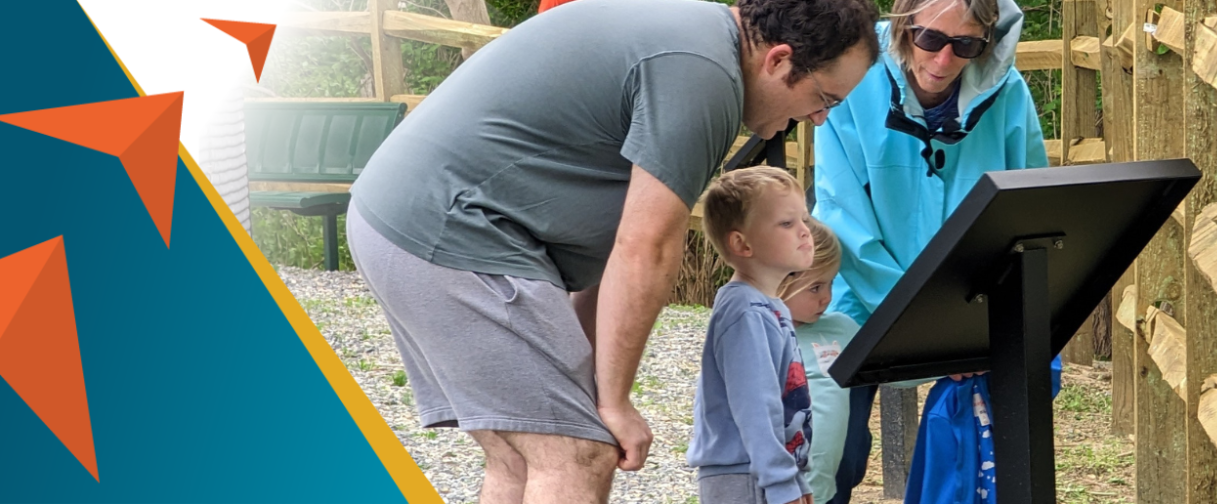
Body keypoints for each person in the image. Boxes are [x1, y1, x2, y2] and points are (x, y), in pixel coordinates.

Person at [343, 0, 879, 501]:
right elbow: (646, 245)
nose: (820, 119)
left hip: (411, 218)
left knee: (521, 457)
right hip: (453, 230)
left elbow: (612, 253)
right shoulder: (704, 75)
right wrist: (612, 402)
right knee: (579, 453)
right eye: (825, 98)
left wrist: (593, 380)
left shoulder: (697, 46)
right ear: (780, 60)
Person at [806, 0, 1059, 500]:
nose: (942, 62)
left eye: (965, 46)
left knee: (988, 461)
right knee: (834, 455)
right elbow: (841, 216)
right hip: (858, 298)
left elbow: (1031, 205)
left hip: (969, 311)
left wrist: (962, 326)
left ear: (985, 42)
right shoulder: (853, 76)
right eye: (929, 40)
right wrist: (926, 325)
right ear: (904, 25)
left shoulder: (1009, 92)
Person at [688, 166, 818, 504]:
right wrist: (780, 482)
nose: (805, 231)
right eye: (787, 224)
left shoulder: (768, 305)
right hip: (744, 476)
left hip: (761, 472)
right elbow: (756, 405)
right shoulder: (745, 311)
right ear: (741, 243)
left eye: (804, 220)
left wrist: (797, 479)